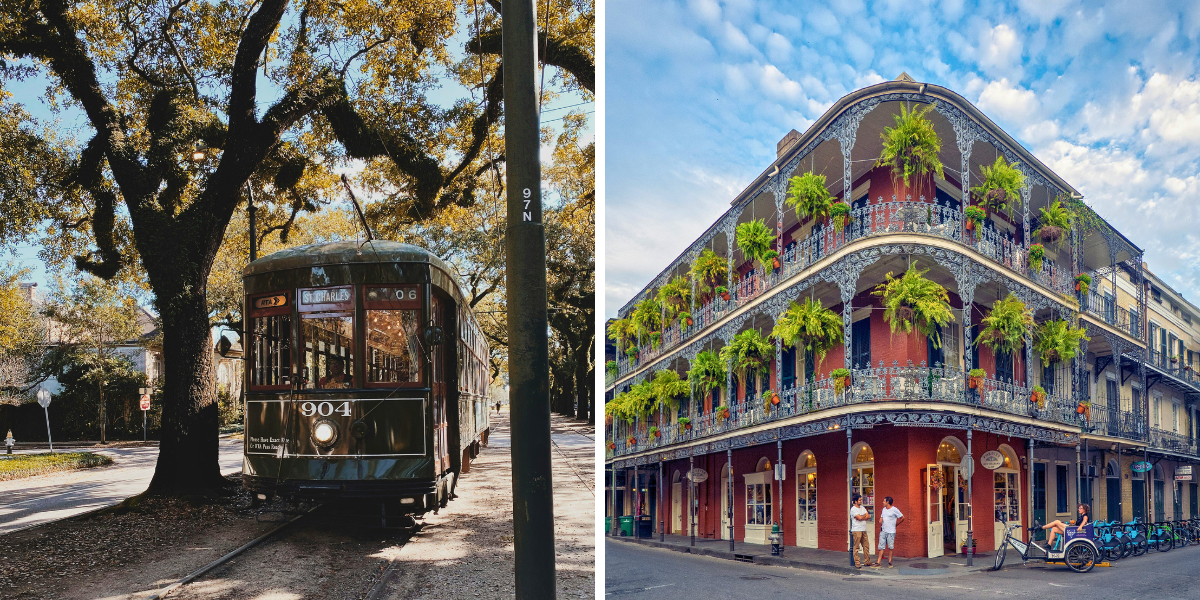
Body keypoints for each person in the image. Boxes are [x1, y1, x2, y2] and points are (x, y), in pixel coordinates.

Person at [874, 496, 905, 568]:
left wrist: (896, 524)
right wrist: (880, 520)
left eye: (884, 501)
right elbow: (881, 517)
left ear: (888, 502)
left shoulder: (894, 509)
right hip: (883, 530)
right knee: (881, 546)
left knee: (890, 547)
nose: (883, 502)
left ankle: (889, 562)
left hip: (891, 531)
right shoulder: (884, 509)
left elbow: (902, 517)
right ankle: (878, 562)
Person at [850, 493, 874, 568]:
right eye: (859, 500)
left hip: (863, 529)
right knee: (856, 547)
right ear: (855, 501)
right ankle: (857, 563)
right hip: (856, 530)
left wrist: (861, 517)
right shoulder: (853, 509)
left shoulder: (863, 508)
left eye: (861, 500)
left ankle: (867, 561)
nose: (861, 501)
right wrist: (863, 517)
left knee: (866, 546)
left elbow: (868, 516)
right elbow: (860, 518)